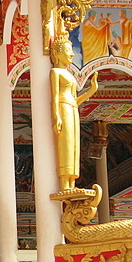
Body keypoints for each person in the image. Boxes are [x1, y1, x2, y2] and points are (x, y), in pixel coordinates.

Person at [50, 37, 98, 191]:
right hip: (63, 108)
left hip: (72, 109)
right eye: (67, 50)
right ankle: (64, 183)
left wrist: (91, 90)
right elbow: (55, 97)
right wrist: (56, 115)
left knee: (73, 145)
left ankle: (72, 182)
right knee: (65, 145)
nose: (71, 54)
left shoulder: (69, 75)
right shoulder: (56, 72)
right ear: (57, 53)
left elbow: (75, 100)